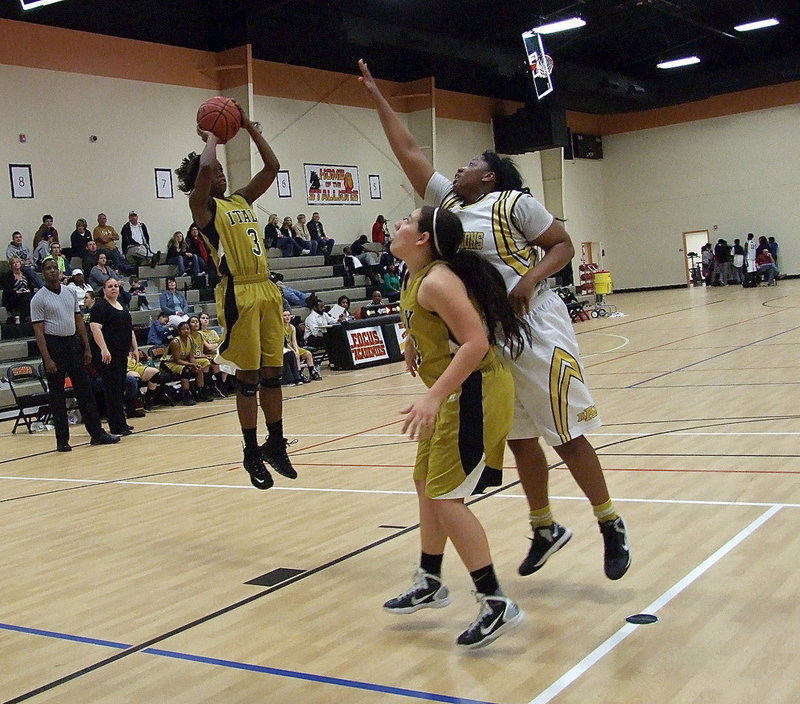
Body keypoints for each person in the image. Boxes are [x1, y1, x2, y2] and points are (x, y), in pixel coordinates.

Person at [359, 59, 630, 581]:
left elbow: (563, 246)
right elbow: (409, 152)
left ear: (490, 174)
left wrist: (529, 281)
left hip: (537, 322)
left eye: (467, 164)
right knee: (520, 436)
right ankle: (544, 525)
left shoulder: (516, 204)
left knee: (566, 433)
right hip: (495, 331)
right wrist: (378, 98)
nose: (456, 170)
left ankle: (609, 520)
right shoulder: (451, 204)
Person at [382, 206, 530, 648]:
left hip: (475, 393)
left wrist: (431, 395)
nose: (397, 225)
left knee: (447, 498)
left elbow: (476, 341)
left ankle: (495, 602)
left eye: (407, 221)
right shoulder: (416, 277)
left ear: (424, 238)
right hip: (455, 395)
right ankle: (429, 578)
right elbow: (432, 323)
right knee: (427, 483)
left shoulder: (437, 280)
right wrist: (413, 343)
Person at [175, 98, 297, 488]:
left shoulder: (241, 199)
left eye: (224, 173)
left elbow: (273, 168)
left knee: (274, 374)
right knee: (248, 377)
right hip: (237, 293)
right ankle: (249, 452)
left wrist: (250, 127)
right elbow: (207, 167)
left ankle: (274, 442)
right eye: (215, 175)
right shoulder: (202, 208)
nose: (221, 176)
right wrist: (212, 133)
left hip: (266, 289)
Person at [30, 259, 119, 451]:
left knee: (85, 390)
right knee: (57, 394)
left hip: (73, 343)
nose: (52, 271)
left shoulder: (70, 291)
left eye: (55, 268)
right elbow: (38, 331)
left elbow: (79, 320)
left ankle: (97, 433)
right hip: (53, 345)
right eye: (48, 269)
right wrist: (47, 358)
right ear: (42, 273)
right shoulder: (38, 299)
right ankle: (62, 440)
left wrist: (86, 347)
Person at [89, 277, 138, 436]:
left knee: (120, 387)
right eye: (110, 286)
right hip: (107, 355)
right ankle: (116, 426)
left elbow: (129, 329)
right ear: (104, 290)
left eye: (116, 286)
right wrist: (104, 349)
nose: (113, 288)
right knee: (112, 389)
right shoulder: (100, 307)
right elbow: (95, 328)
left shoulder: (121, 306)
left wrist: (135, 348)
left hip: (121, 353)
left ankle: (121, 422)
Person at [160, 320, 203, 406]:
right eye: (183, 329)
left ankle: (200, 392)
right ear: (179, 331)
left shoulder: (190, 339)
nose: (186, 331)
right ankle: (186, 396)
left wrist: (195, 365)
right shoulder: (175, 342)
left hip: (181, 362)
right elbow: (177, 360)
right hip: (168, 363)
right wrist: (191, 365)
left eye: (187, 329)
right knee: (185, 371)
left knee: (199, 369)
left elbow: (191, 357)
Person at [283, 309, 319, 381]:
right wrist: (295, 352)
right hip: (285, 347)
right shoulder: (280, 328)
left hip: (292, 346)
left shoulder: (292, 327)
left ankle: (312, 372)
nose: (287, 317)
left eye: (288, 315)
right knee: (296, 356)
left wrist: (296, 350)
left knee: (308, 354)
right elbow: (285, 343)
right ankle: (299, 373)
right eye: (285, 315)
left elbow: (294, 341)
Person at [198, 311, 229, 396]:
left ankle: (221, 383)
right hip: (207, 355)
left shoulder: (213, 332)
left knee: (229, 362)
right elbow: (208, 347)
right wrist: (216, 345)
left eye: (207, 318)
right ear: (199, 320)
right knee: (215, 362)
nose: (205, 320)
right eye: (203, 318)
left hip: (216, 353)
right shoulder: (199, 333)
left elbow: (221, 344)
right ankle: (219, 385)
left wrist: (215, 346)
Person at [1, 257, 38, 323]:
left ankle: (24, 318)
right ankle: (25, 318)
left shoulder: (26, 275)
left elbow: (30, 287)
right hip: (12, 297)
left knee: (27, 295)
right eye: (13, 263)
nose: (16, 264)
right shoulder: (7, 276)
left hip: (26, 296)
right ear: (11, 265)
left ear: (20, 264)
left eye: (17, 262)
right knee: (25, 296)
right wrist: (17, 292)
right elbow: (7, 290)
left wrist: (27, 291)